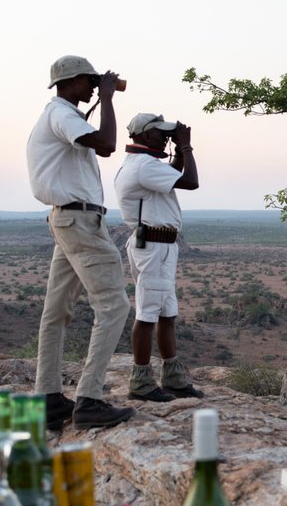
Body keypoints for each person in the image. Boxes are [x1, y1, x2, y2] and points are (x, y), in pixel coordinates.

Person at [25, 56, 136, 431]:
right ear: (69, 82)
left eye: (95, 81)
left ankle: (49, 398)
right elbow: (107, 144)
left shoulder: (59, 115)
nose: (92, 85)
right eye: (88, 80)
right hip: (80, 222)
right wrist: (107, 98)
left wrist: (100, 96)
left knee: (56, 312)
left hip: (67, 219)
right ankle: (90, 399)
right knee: (114, 305)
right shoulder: (61, 114)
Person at [114, 112, 205, 402]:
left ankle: (174, 377)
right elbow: (190, 181)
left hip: (160, 247)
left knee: (166, 312)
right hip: (153, 247)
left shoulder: (144, 164)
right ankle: (140, 381)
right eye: (160, 133)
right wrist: (187, 146)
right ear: (143, 135)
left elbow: (174, 173)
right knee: (147, 313)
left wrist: (178, 151)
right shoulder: (142, 166)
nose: (165, 138)